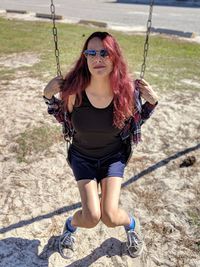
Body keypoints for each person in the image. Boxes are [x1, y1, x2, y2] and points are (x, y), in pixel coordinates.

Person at [43, 31, 158, 259]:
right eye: (91, 53)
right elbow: (61, 117)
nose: (98, 58)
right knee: (91, 217)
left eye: (104, 52)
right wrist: (48, 97)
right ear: (85, 58)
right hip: (82, 157)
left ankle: (132, 225)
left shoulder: (127, 92)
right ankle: (69, 227)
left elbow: (137, 120)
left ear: (114, 57)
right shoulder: (74, 91)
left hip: (113, 157)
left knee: (110, 216)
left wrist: (152, 103)